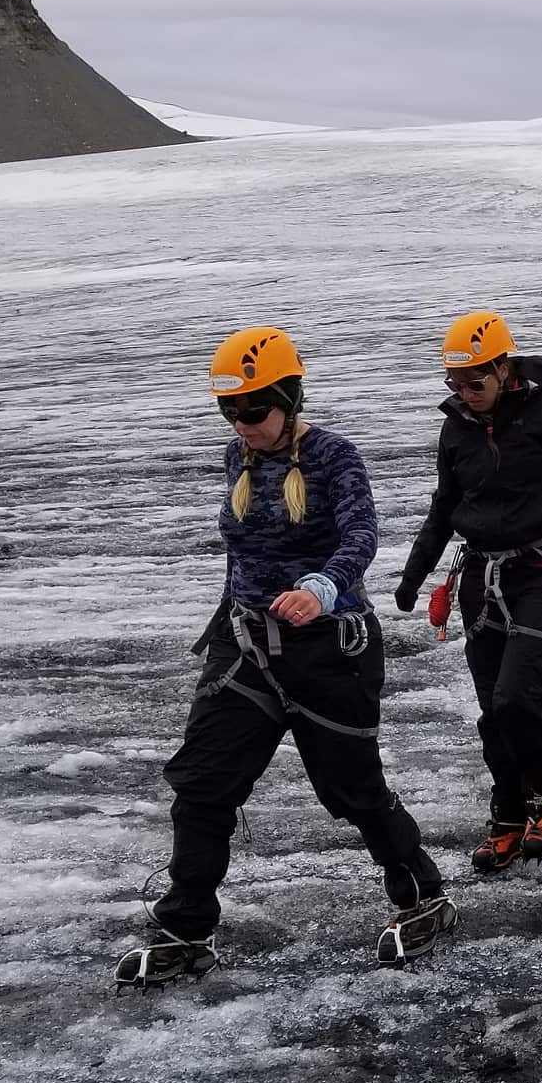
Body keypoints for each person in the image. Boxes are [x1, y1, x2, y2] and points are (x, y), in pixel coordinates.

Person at [117, 326, 450, 987]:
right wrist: (225, 627)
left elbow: (361, 533)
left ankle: (423, 897)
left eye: (253, 410)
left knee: (352, 791)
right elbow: (245, 555)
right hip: (245, 652)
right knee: (203, 783)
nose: (242, 424)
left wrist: (322, 588)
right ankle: (186, 925)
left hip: (331, 651)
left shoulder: (334, 457)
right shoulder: (236, 460)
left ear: (288, 398)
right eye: (229, 411)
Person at [395, 311, 542, 874]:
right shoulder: (456, 427)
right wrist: (415, 573)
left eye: (476, 383)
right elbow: (445, 505)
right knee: (494, 710)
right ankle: (509, 812)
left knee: (519, 696)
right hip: (481, 579)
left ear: (504, 368)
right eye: (455, 385)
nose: (466, 395)